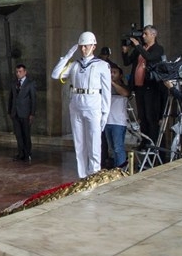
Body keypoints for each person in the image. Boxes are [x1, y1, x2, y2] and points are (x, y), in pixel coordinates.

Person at [51, 31, 111, 178]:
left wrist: (105, 113)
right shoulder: (74, 65)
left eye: (86, 46)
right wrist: (66, 57)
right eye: (81, 46)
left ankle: (94, 174)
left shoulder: (102, 65)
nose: (83, 49)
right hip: (76, 104)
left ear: (93, 46)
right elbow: (55, 74)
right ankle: (83, 176)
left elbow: (107, 91)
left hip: (93, 104)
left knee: (94, 143)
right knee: (79, 144)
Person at [121, 25, 166, 144]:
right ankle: (145, 143)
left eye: (146, 34)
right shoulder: (140, 48)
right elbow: (127, 62)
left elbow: (149, 57)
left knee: (151, 117)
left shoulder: (158, 48)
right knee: (142, 117)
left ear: (153, 35)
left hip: (151, 87)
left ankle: (154, 144)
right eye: (143, 34)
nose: (143, 36)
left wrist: (137, 45)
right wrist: (125, 52)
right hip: (139, 87)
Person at [7, 63, 36, 162]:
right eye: (17, 72)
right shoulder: (13, 83)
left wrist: (32, 113)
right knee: (18, 135)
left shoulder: (30, 83)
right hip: (15, 113)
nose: (18, 74)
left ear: (25, 72)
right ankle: (21, 153)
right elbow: (11, 98)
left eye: (20, 72)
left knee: (26, 134)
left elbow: (33, 99)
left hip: (26, 113)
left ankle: (28, 153)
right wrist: (10, 111)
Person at [105, 63, 131, 170]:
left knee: (118, 147)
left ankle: (121, 170)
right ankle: (115, 169)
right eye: (110, 72)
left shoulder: (123, 86)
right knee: (111, 148)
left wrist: (112, 83)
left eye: (114, 72)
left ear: (120, 75)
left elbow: (125, 93)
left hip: (118, 122)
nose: (111, 74)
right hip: (107, 121)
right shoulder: (105, 87)